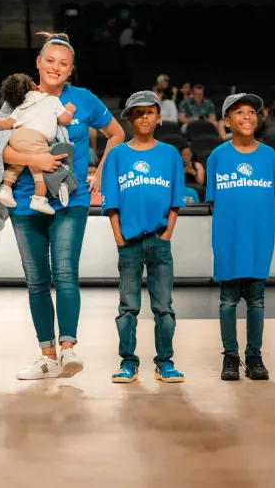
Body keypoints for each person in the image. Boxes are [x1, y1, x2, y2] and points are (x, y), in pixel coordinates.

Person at [0, 32, 126, 380]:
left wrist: (100, 173)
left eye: (63, 63)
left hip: (69, 200)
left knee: (65, 273)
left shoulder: (84, 100)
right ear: (38, 63)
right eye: (50, 61)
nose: (55, 68)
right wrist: (37, 159)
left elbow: (117, 134)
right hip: (22, 200)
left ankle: (68, 349)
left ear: (71, 69)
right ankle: (46, 356)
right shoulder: (19, 97)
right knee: (36, 281)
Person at [101, 91, 186, 384]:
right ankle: (128, 362)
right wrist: (118, 237)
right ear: (129, 119)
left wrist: (168, 233)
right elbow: (110, 201)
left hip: (160, 240)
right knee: (128, 307)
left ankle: (165, 362)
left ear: (159, 117)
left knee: (163, 307)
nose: (144, 117)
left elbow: (176, 199)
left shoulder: (170, 154)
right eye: (138, 113)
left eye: (150, 112)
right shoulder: (117, 155)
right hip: (130, 243)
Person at [206, 93, 275, 382]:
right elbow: (213, 204)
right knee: (227, 300)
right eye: (239, 112)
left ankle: (254, 356)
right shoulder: (217, 156)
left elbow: (272, 202)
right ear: (227, 121)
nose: (247, 117)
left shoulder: (270, 156)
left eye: (252, 112)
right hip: (228, 239)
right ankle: (230, 356)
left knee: (257, 299)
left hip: (259, 240)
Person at [0, 73, 76, 215]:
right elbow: (65, 119)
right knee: (41, 169)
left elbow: (6, 123)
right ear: (34, 86)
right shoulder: (52, 100)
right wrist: (70, 110)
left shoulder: (21, 106)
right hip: (36, 139)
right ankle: (39, 199)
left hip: (16, 137)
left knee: (15, 165)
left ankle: (5, 189)